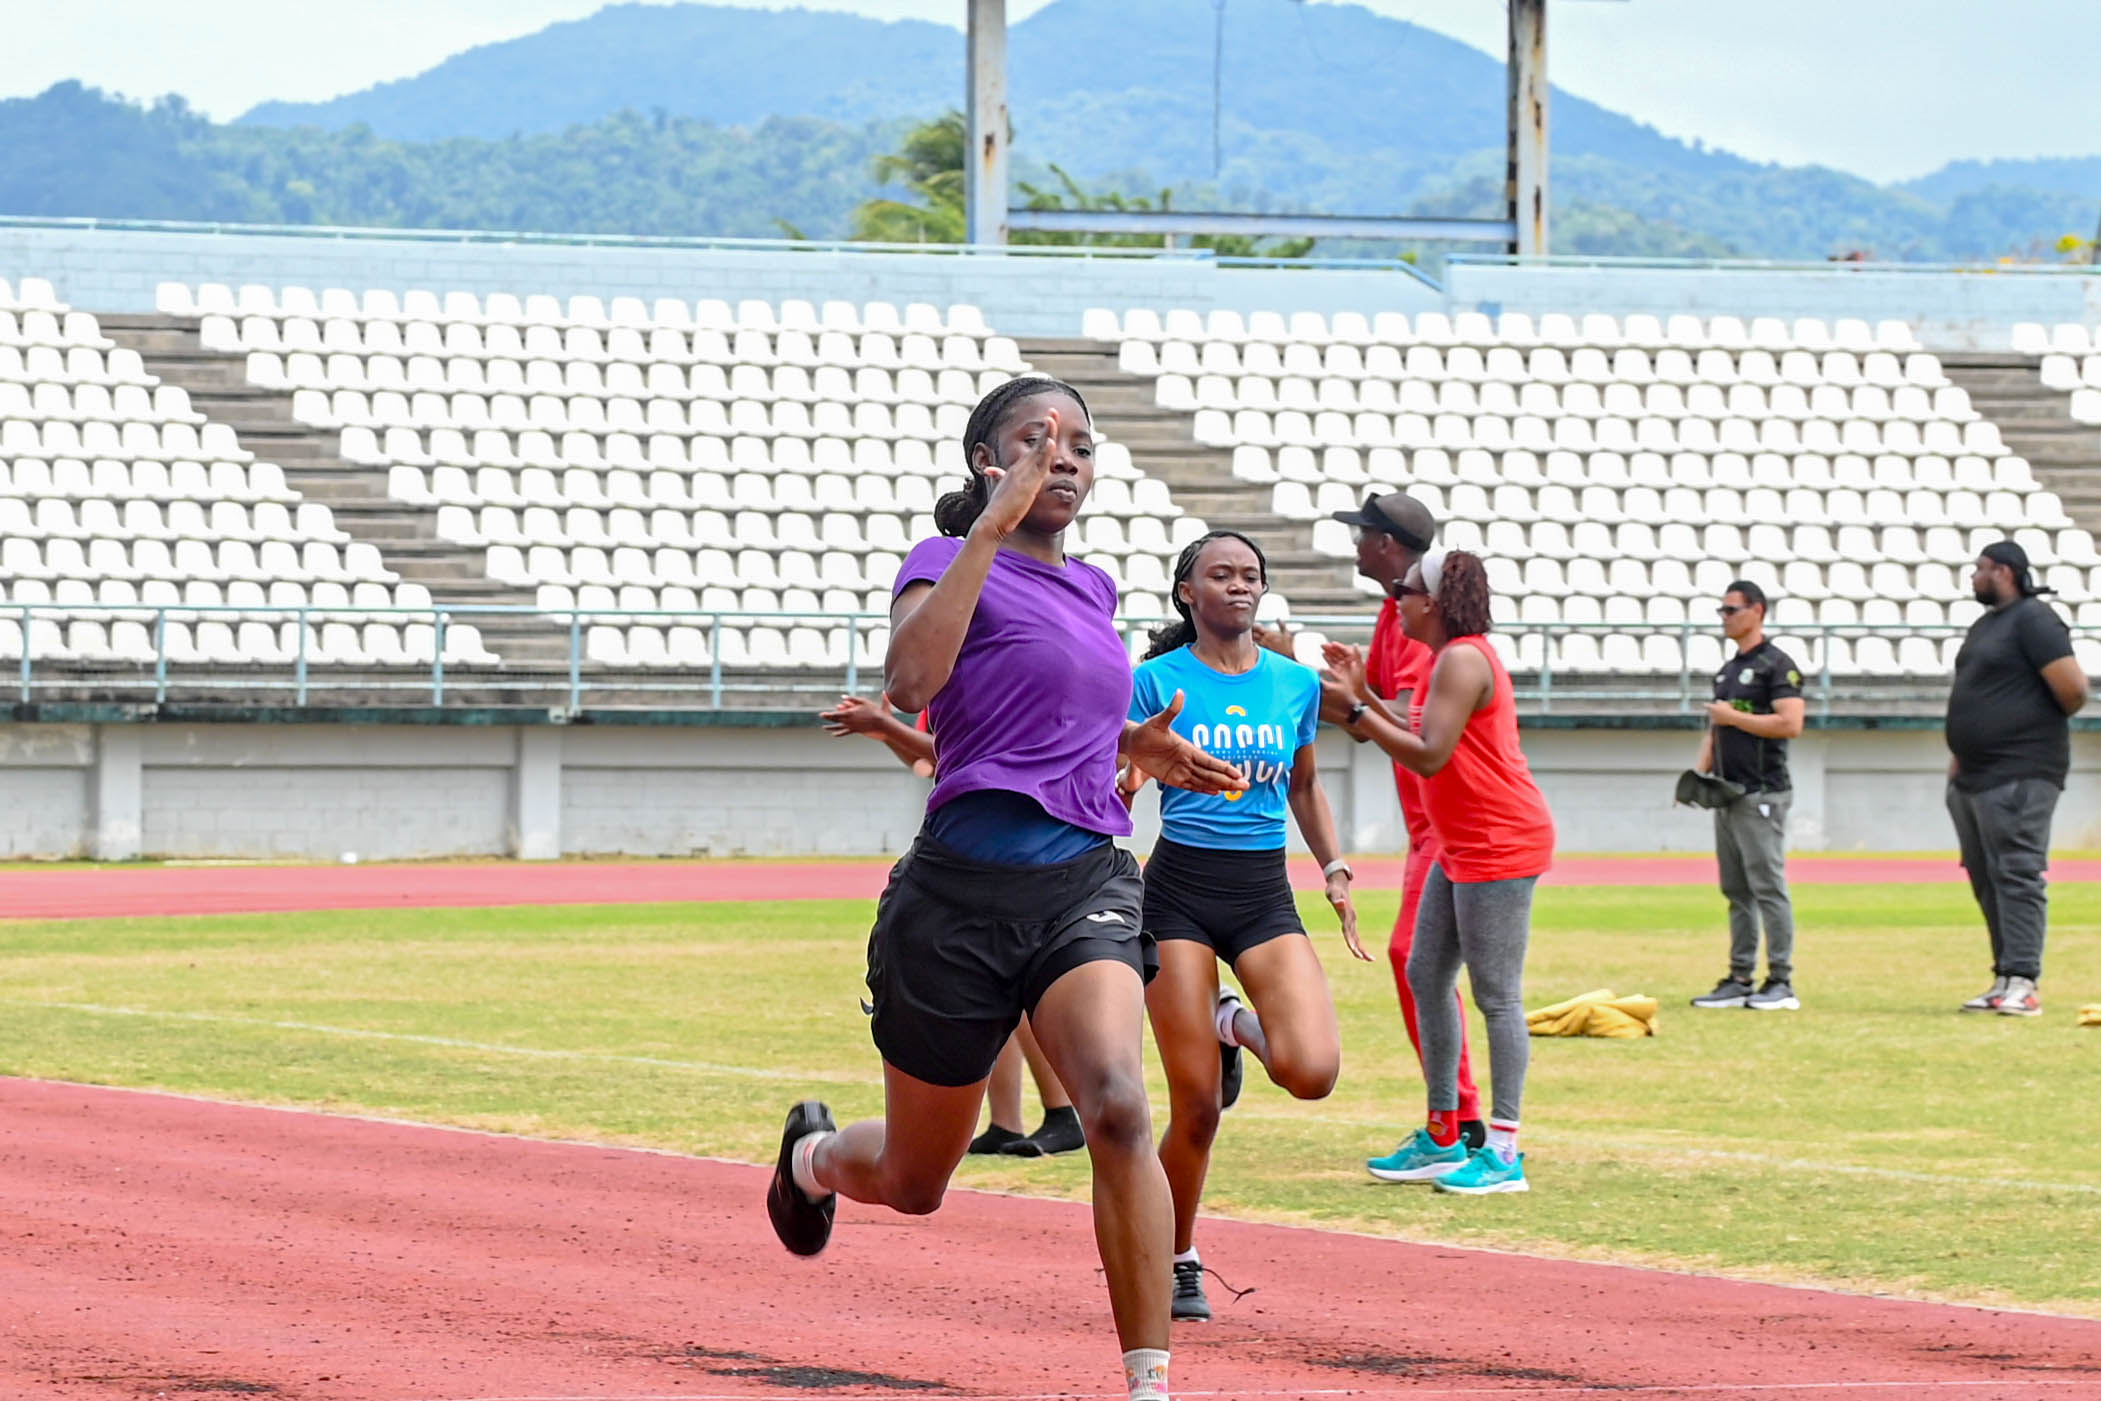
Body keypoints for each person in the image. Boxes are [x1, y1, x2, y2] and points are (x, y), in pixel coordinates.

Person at [766, 376, 1245, 1401]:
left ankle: (1149, 1384)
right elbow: (913, 689)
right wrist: (988, 529)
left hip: (1084, 880)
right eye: (1039, 439)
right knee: (915, 1183)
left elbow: (1051, 719)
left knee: (1117, 1106)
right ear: (990, 460)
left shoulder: (1097, 589)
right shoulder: (941, 562)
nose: (1063, 455)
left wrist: (1135, 744)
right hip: (955, 900)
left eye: (1080, 442)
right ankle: (813, 1159)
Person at [1121, 529, 1369, 1324]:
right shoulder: (1152, 682)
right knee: (1194, 1106)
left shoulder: (1294, 684)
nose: (1238, 586)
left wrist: (1332, 867)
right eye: (1219, 575)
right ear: (1186, 592)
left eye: (1250, 575)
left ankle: (1231, 1021)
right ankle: (1178, 1253)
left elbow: (1304, 785)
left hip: (1263, 892)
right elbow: (1116, 784)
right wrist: (1126, 782)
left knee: (1311, 1068)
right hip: (1178, 893)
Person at [1325, 548, 1555, 1195]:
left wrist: (1353, 707)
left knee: (1497, 995)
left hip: (1496, 840)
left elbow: (1427, 754)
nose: (1395, 598)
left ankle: (1503, 1150)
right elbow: (1404, 725)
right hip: (1462, 842)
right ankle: (1443, 1132)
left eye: (1405, 589)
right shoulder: (1439, 659)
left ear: (1433, 601)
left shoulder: (1460, 657)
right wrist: (1362, 696)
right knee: (1425, 971)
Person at [820, 693, 1083, 1154]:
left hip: (1007, 847)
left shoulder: (980, 674)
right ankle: (1007, 1122)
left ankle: (1062, 1113)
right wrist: (884, 730)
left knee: (1017, 992)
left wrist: (884, 725)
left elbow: (963, 754)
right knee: (990, 992)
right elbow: (928, 763)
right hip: (968, 846)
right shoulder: (941, 685)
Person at [1313, 491, 1488, 1170]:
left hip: (1447, 824)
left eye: (1360, 534)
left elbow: (1407, 722)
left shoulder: (1418, 619)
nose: (1353, 545)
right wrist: (1344, 692)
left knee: (1425, 962)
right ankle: (1453, 1121)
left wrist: (1330, 695)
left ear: (1387, 544)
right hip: (1431, 827)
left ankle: (1460, 1123)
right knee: (1418, 961)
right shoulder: (1395, 611)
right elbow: (1378, 716)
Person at [1945, 540, 2088, 1017]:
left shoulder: (2035, 619)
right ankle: (2005, 975)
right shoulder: (1987, 625)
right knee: (1986, 876)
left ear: (2003, 572)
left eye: (1979, 569)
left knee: (2017, 873)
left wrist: (2016, 734)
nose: (1973, 577)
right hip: (1974, 776)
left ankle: (2024, 982)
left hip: (2020, 771)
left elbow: (2072, 690)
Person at [1688, 581, 1808, 1012]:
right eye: (1721, 610)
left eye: (1731, 609)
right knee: (1735, 888)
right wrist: (1698, 776)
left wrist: (1733, 717)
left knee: (1768, 886)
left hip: (1762, 791)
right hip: (1728, 791)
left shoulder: (1778, 665)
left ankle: (1781, 979)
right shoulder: (1727, 671)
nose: (1724, 617)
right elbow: (1716, 728)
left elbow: (1791, 723)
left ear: (1756, 611)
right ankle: (1740, 976)